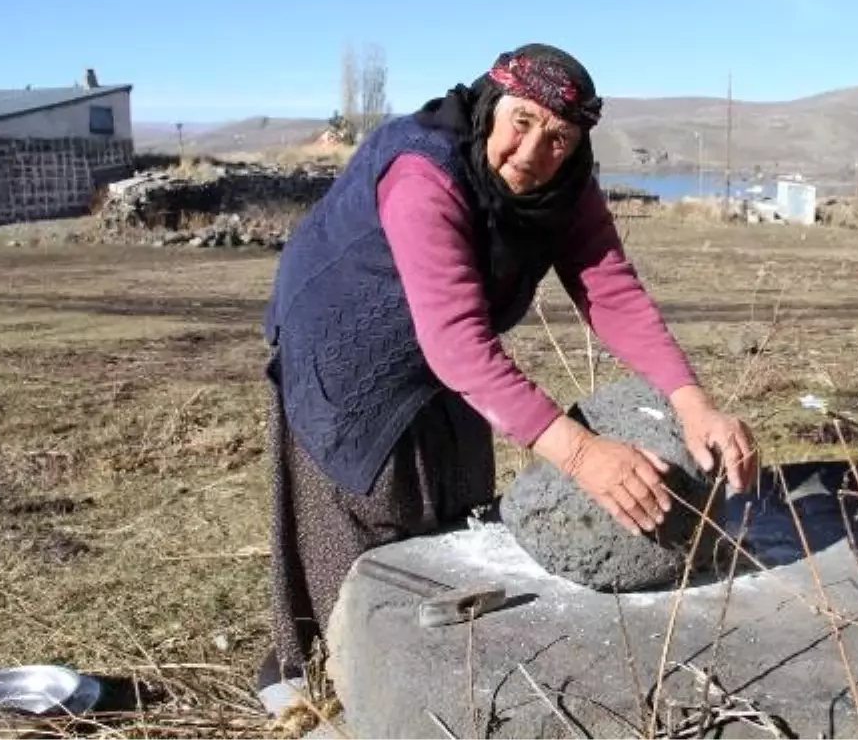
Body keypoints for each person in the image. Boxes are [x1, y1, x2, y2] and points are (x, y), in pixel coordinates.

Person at [257, 42, 758, 699]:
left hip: (441, 353)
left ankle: (436, 683)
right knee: (363, 527)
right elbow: (457, 343)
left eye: (558, 138)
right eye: (522, 123)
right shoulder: (423, 173)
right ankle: (318, 681)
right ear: (492, 105)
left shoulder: (566, 186)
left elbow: (610, 290)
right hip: (345, 346)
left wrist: (691, 401)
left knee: (457, 502)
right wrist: (582, 455)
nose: (532, 153)